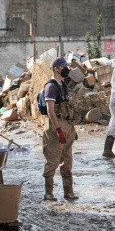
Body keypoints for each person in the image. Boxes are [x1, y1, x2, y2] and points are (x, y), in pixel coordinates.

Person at [42, 57, 78, 201]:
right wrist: (58, 129)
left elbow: (67, 108)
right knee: (52, 160)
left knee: (67, 160)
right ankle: (48, 193)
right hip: (54, 127)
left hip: (67, 126)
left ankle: (68, 192)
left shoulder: (62, 84)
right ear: (56, 68)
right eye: (64, 67)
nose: (66, 69)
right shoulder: (50, 86)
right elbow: (50, 110)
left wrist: (71, 130)